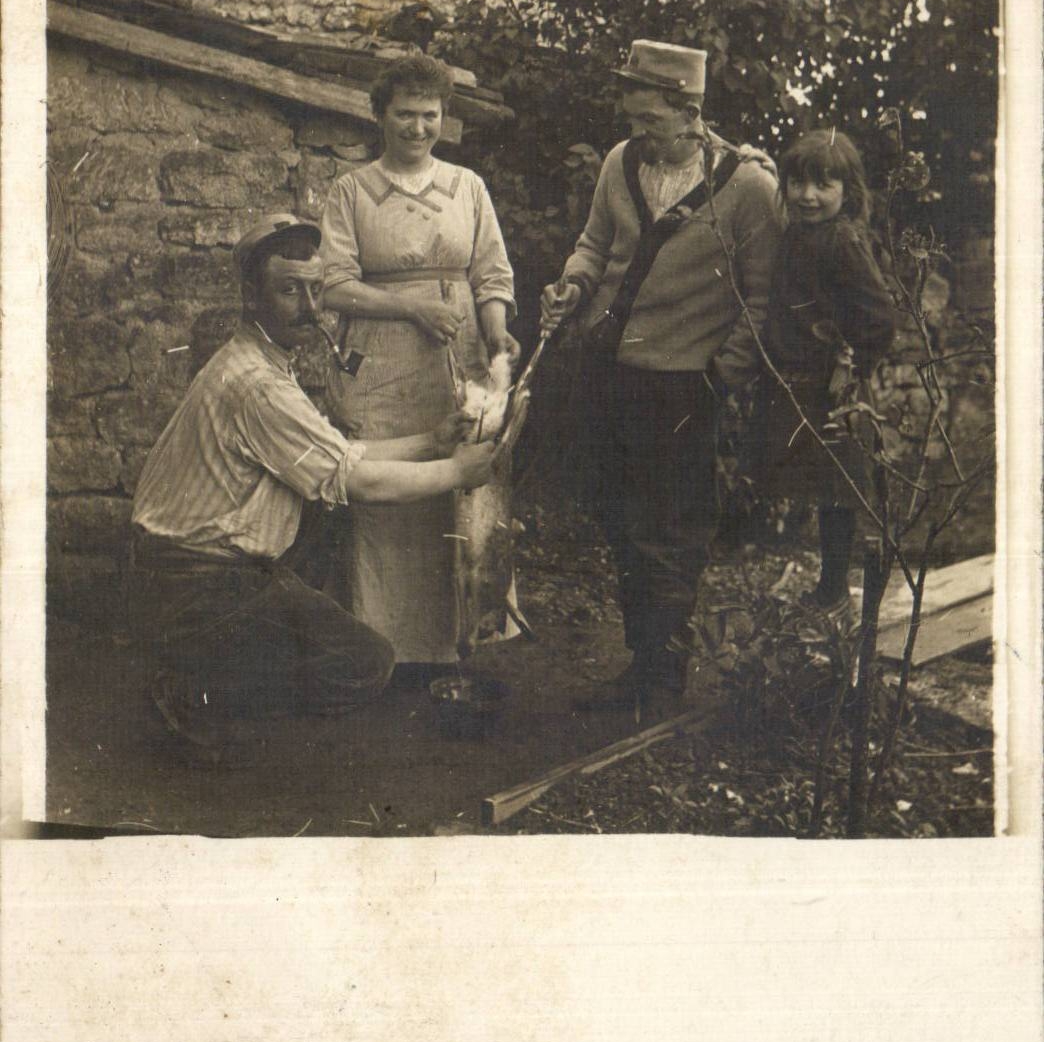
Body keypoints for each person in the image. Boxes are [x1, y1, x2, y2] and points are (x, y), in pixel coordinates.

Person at [129, 212, 495, 766]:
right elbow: (359, 480)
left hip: (202, 567)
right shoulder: (256, 385)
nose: (310, 306)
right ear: (252, 298)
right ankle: (197, 691)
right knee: (364, 665)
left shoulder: (264, 363)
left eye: (316, 290)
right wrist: (459, 472)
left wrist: (434, 441)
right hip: (196, 580)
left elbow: (337, 455)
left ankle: (213, 662)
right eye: (288, 290)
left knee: (321, 530)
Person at [540, 40, 781, 714]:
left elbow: (762, 300)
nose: (639, 134)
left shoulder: (748, 189)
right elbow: (594, 244)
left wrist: (720, 375)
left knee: (670, 532)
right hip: (610, 373)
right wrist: (573, 284)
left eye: (652, 121)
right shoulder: (621, 162)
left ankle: (665, 683)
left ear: (691, 111)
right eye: (634, 119)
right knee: (619, 519)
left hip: (682, 388)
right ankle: (639, 665)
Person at [319, 53, 518, 669]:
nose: (417, 127)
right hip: (376, 366)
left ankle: (455, 645)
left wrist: (496, 336)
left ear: (444, 118)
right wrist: (409, 309)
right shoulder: (351, 190)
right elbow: (332, 285)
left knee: (455, 487)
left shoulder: (467, 187)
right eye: (404, 114)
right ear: (379, 115)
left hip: (452, 361)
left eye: (429, 115)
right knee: (388, 491)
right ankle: (382, 650)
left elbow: (490, 274)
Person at [751, 128, 897, 623]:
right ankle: (823, 584)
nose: (808, 196)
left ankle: (834, 587)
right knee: (816, 484)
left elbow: (880, 318)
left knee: (838, 491)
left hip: (834, 387)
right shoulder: (798, 233)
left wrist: (851, 365)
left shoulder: (843, 240)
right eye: (797, 184)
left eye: (823, 185)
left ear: (848, 192)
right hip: (797, 381)